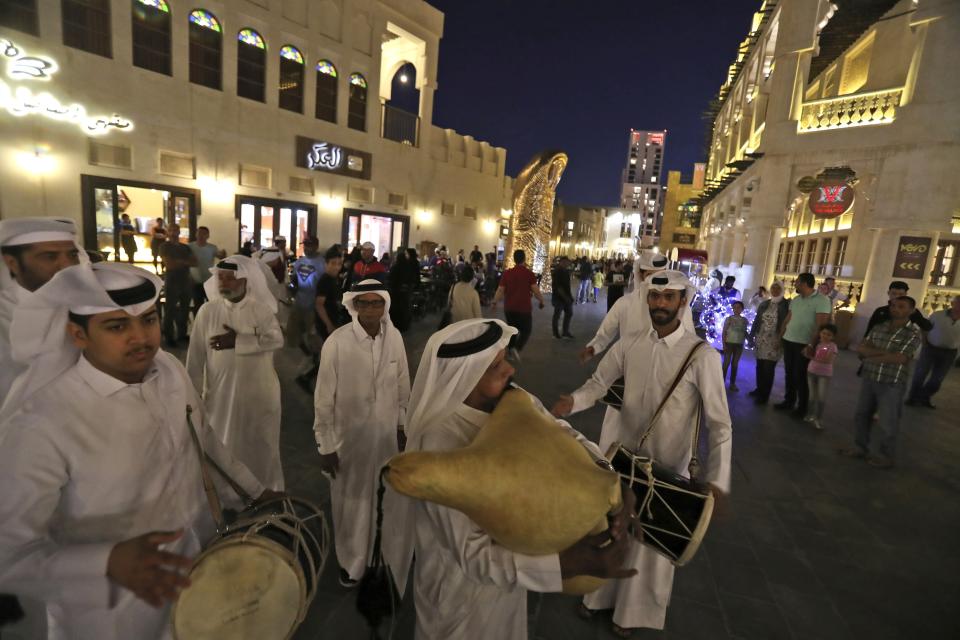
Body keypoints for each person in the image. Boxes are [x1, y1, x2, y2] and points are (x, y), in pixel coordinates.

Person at [0, 262, 272, 640]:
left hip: (199, 581)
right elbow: (9, 556)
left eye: (149, 319)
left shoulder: (170, 372)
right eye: (116, 326)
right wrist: (105, 562)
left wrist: (255, 493)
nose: (141, 338)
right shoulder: (42, 423)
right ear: (77, 334)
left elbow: (204, 442)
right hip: (110, 618)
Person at [406, 319, 636, 639]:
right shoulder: (438, 444)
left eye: (504, 360)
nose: (509, 371)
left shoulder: (511, 400)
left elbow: (563, 434)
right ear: (463, 379)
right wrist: (565, 566)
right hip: (458, 595)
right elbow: (474, 557)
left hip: (512, 583)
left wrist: (608, 478)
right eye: (495, 366)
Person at [551, 270, 732, 636]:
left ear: (683, 301)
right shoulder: (630, 343)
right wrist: (573, 402)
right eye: (655, 297)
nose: (660, 304)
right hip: (626, 460)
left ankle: (632, 616)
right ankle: (596, 598)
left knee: (651, 545)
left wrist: (719, 480)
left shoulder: (701, 356)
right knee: (614, 530)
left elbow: (720, 423)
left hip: (669, 467)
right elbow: (599, 384)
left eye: (669, 298)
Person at [313, 279, 413, 589]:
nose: (371, 309)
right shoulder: (337, 342)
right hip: (349, 440)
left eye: (377, 303)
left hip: (385, 438)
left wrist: (401, 426)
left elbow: (402, 386)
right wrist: (325, 444)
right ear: (354, 306)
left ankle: (378, 555)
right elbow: (323, 398)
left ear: (385, 305)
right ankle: (351, 562)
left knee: (384, 498)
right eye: (364, 304)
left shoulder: (394, 338)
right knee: (351, 502)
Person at [186, 256, 285, 490]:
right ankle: (226, 493)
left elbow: (276, 339)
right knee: (222, 444)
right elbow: (195, 357)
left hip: (258, 395)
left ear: (245, 280)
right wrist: (191, 397)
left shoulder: (261, 311)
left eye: (231, 278)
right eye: (221, 277)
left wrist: (239, 340)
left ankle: (264, 492)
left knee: (260, 445)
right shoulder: (207, 312)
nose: (225, 282)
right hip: (219, 396)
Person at [0, 217, 84, 404]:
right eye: (50, 256)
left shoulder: (85, 302)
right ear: (12, 263)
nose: (67, 266)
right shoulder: (4, 314)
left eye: (72, 255)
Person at [840, 296, 922, 469]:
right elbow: (861, 347)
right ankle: (859, 447)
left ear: (911, 311)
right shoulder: (880, 326)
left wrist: (872, 354)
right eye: (893, 305)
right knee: (862, 414)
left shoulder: (913, 333)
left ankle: (885, 455)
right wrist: (883, 354)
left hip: (891, 380)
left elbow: (900, 358)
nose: (896, 309)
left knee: (887, 420)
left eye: (901, 306)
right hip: (870, 376)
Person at [776, 272, 831, 417]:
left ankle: (802, 408)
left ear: (805, 283)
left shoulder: (822, 300)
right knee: (789, 373)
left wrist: (811, 345)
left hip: (804, 343)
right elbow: (788, 319)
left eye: (797, 282)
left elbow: (821, 325)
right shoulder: (796, 300)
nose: (795, 285)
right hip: (789, 340)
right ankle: (789, 401)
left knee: (800, 375)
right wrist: (780, 336)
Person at [907, 295, 960, 408]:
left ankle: (924, 397)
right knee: (920, 374)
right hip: (931, 348)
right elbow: (925, 327)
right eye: (958, 303)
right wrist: (925, 343)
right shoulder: (938, 315)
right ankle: (912, 398)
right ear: (953, 304)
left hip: (950, 353)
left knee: (937, 379)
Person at [491, 249, 545, 361]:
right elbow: (535, 290)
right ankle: (516, 348)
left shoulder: (507, 273)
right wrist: (541, 300)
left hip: (509, 308)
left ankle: (510, 352)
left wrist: (494, 302)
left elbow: (500, 290)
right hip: (523, 308)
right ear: (524, 259)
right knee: (526, 330)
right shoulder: (529, 274)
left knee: (512, 330)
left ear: (514, 259)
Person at [748, 281, 789, 405]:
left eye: (778, 288)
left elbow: (786, 323)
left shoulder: (786, 305)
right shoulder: (765, 303)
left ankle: (764, 395)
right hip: (761, 337)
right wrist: (751, 335)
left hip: (775, 339)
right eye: (773, 287)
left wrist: (781, 340)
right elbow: (757, 320)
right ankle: (759, 389)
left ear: (782, 290)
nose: (775, 290)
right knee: (760, 365)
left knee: (768, 368)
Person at [158, 223, 196, 347]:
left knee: (185, 309)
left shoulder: (185, 247)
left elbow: (195, 262)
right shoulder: (164, 246)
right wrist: (185, 262)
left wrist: (178, 261)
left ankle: (182, 335)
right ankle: (169, 337)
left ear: (179, 232)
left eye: (176, 230)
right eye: (171, 230)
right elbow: (169, 264)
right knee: (170, 309)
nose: (174, 232)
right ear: (167, 232)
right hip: (172, 280)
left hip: (186, 280)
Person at [287, 236, 325, 352]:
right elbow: (294, 280)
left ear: (316, 246)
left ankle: (317, 357)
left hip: (313, 304)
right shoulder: (299, 262)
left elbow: (325, 285)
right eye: (305, 245)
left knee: (312, 332)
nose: (306, 248)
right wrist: (291, 288)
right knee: (293, 329)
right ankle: (298, 349)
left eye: (309, 245)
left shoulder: (322, 263)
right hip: (299, 301)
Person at [864, 280, 933, 337]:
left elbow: (926, 326)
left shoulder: (911, 311)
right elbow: (869, 331)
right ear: (889, 293)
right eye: (894, 293)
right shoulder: (881, 311)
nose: (897, 297)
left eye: (900, 294)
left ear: (905, 294)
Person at [804, 323, 838, 430]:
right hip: (811, 371)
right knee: (812, 396)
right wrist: (808, 354)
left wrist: (810, 357)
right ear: (819, 333)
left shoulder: (833, 346)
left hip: (824, 374)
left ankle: (818, 418)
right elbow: (807, 353)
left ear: (833, 337)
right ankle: (809, 415)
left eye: (829, 334)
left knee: (821, 397)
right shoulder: (815, 344)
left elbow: (829, 360)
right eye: (823, 333)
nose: (825, 336)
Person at [188, 225, 218, 312]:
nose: (201, 235)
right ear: (196, 234)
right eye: (199, 233)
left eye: (204, 234)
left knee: (211, 304)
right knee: (198, 306)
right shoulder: (189, 247)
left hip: (209, 280)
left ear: (208, 236)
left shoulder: (212, 248)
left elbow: (220, 256)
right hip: (195, 281)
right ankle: (198, 324)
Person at [721, 300, 748, 391]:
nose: (736, 309)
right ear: (732, 308)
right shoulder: (729, 319)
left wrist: (750, 339)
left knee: (735, 364)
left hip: (739, 345)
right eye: (735, 307)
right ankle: (721, 382)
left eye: (739, 307)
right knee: (726, 364)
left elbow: (745, 332)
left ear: (742, 309)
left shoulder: (744, 320)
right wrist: (724, 344)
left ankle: (732, 383)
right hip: (729, 344)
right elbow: (724, 332)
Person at [551, 256, 575, 339]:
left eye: (568, 262)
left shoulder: (565, 271)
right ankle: (555, 333)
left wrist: (569, 296)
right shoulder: (558, 271)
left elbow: (566, 286)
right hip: (559, 297)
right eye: (566, 262)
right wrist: (566, 298)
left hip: (566, 297)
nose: (567, 263)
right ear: (561, 262)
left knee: (569, 313)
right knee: (557, 315)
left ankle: (565, 332)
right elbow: (558, 287)